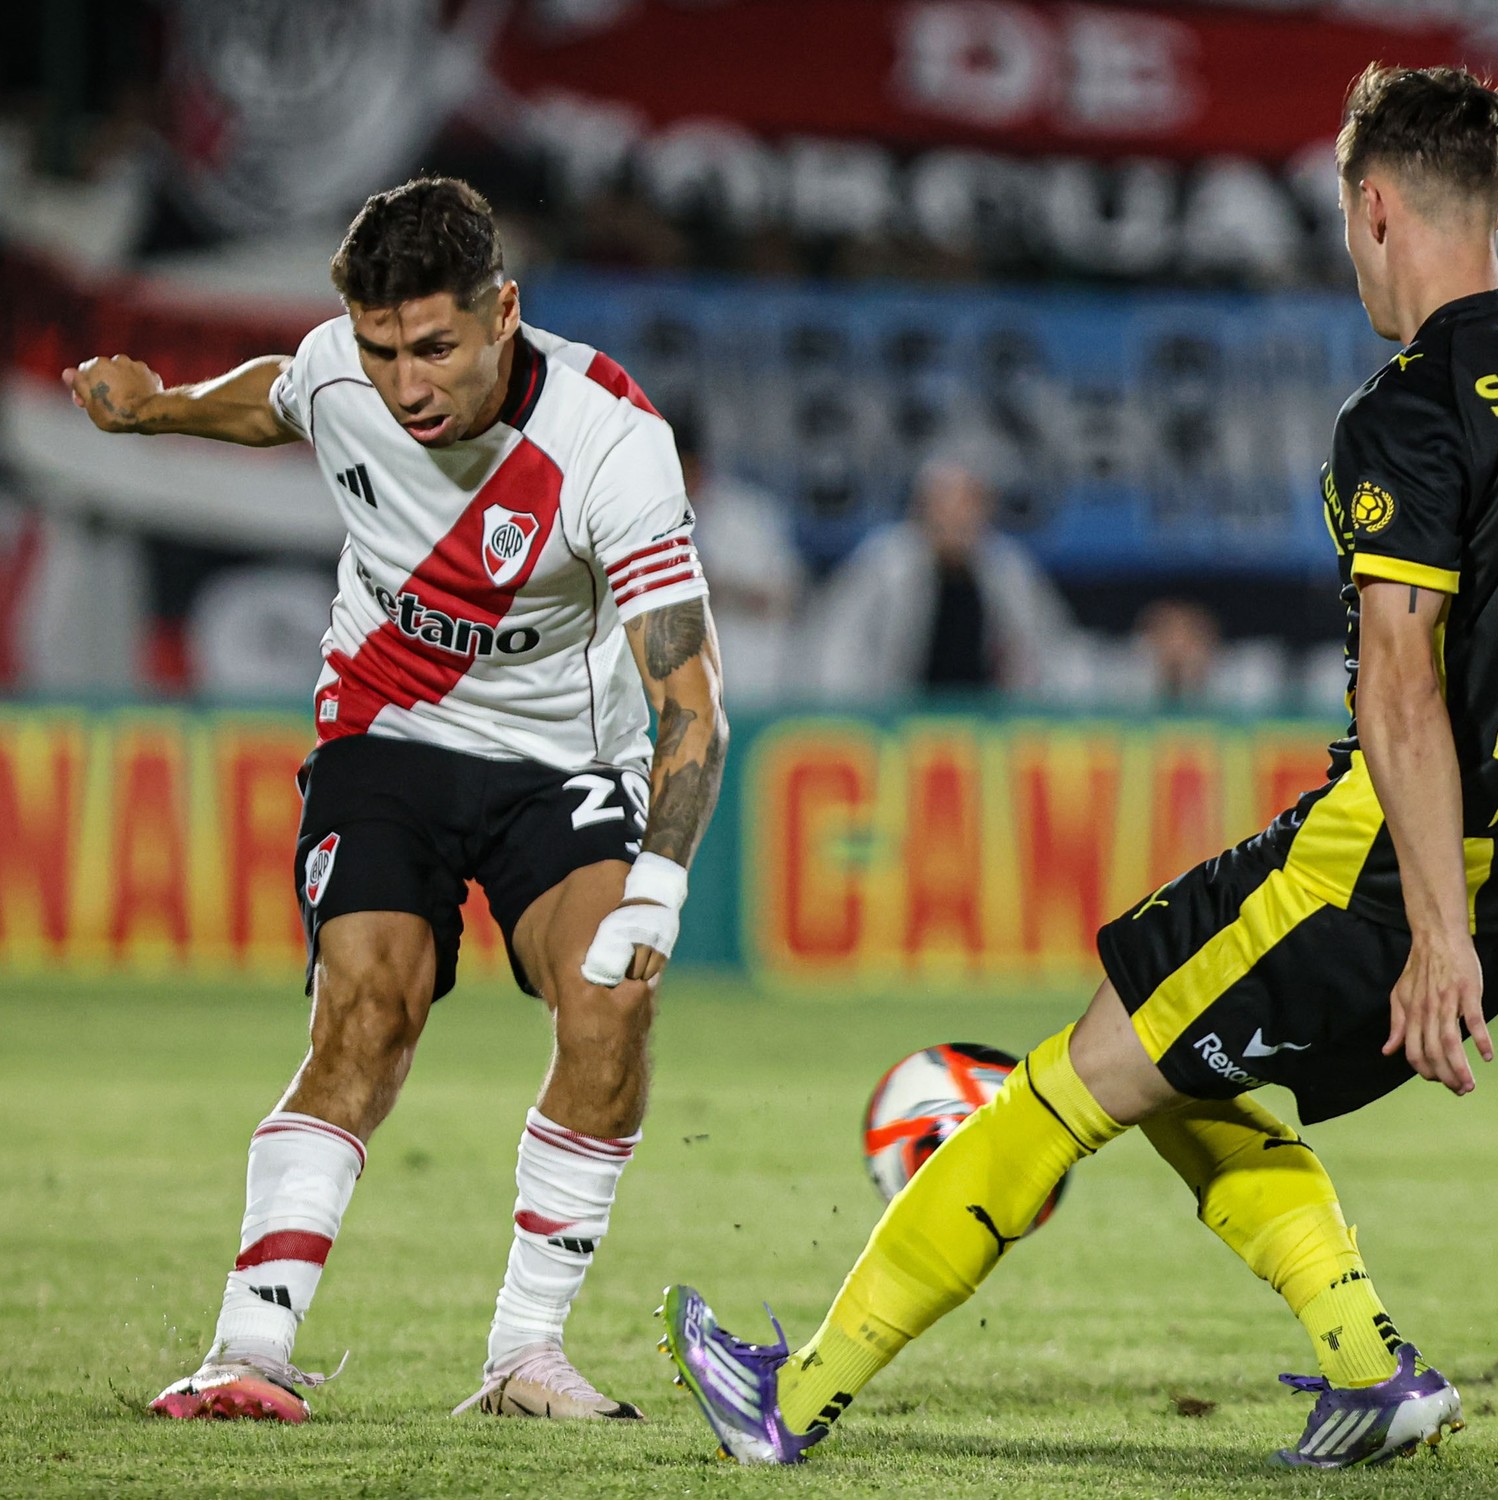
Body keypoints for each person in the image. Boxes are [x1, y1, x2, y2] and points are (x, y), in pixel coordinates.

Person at [660, 65, 1498, 1470]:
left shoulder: (1409, 413)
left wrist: (1426, 937)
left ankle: (791, 1402)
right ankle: (1370, 1369)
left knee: (1071, 1080)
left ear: (1371, 208)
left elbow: (1406, 687)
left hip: (1391, 883)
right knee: (1167, 1037)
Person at [63, 178, 727, 1424]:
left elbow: (690, 706)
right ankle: (246, 1354)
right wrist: (156, 410)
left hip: (562, 761)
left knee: (610, 1004)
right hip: (385, 731)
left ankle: (525, 1357)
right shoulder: (343, 374)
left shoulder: (609, 441)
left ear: (504, 315)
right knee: (368, 1009)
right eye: (381, 352)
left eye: (433, 348)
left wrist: (661, 882)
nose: (406, 387)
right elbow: (279, 394)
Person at [806, 451, 1071, 700]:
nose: (957, 517)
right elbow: (838, 644)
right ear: (922, 508)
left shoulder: (1005, 568)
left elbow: (1045, 646)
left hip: (985, 724)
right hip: (897, 720)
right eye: (946, 504)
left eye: (969, 504)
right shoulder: (886, 563)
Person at [668, 406, 805, 706]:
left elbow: (786, 597)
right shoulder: (636, 519)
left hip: (747, 680)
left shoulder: (749, 517)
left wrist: (715, 585)